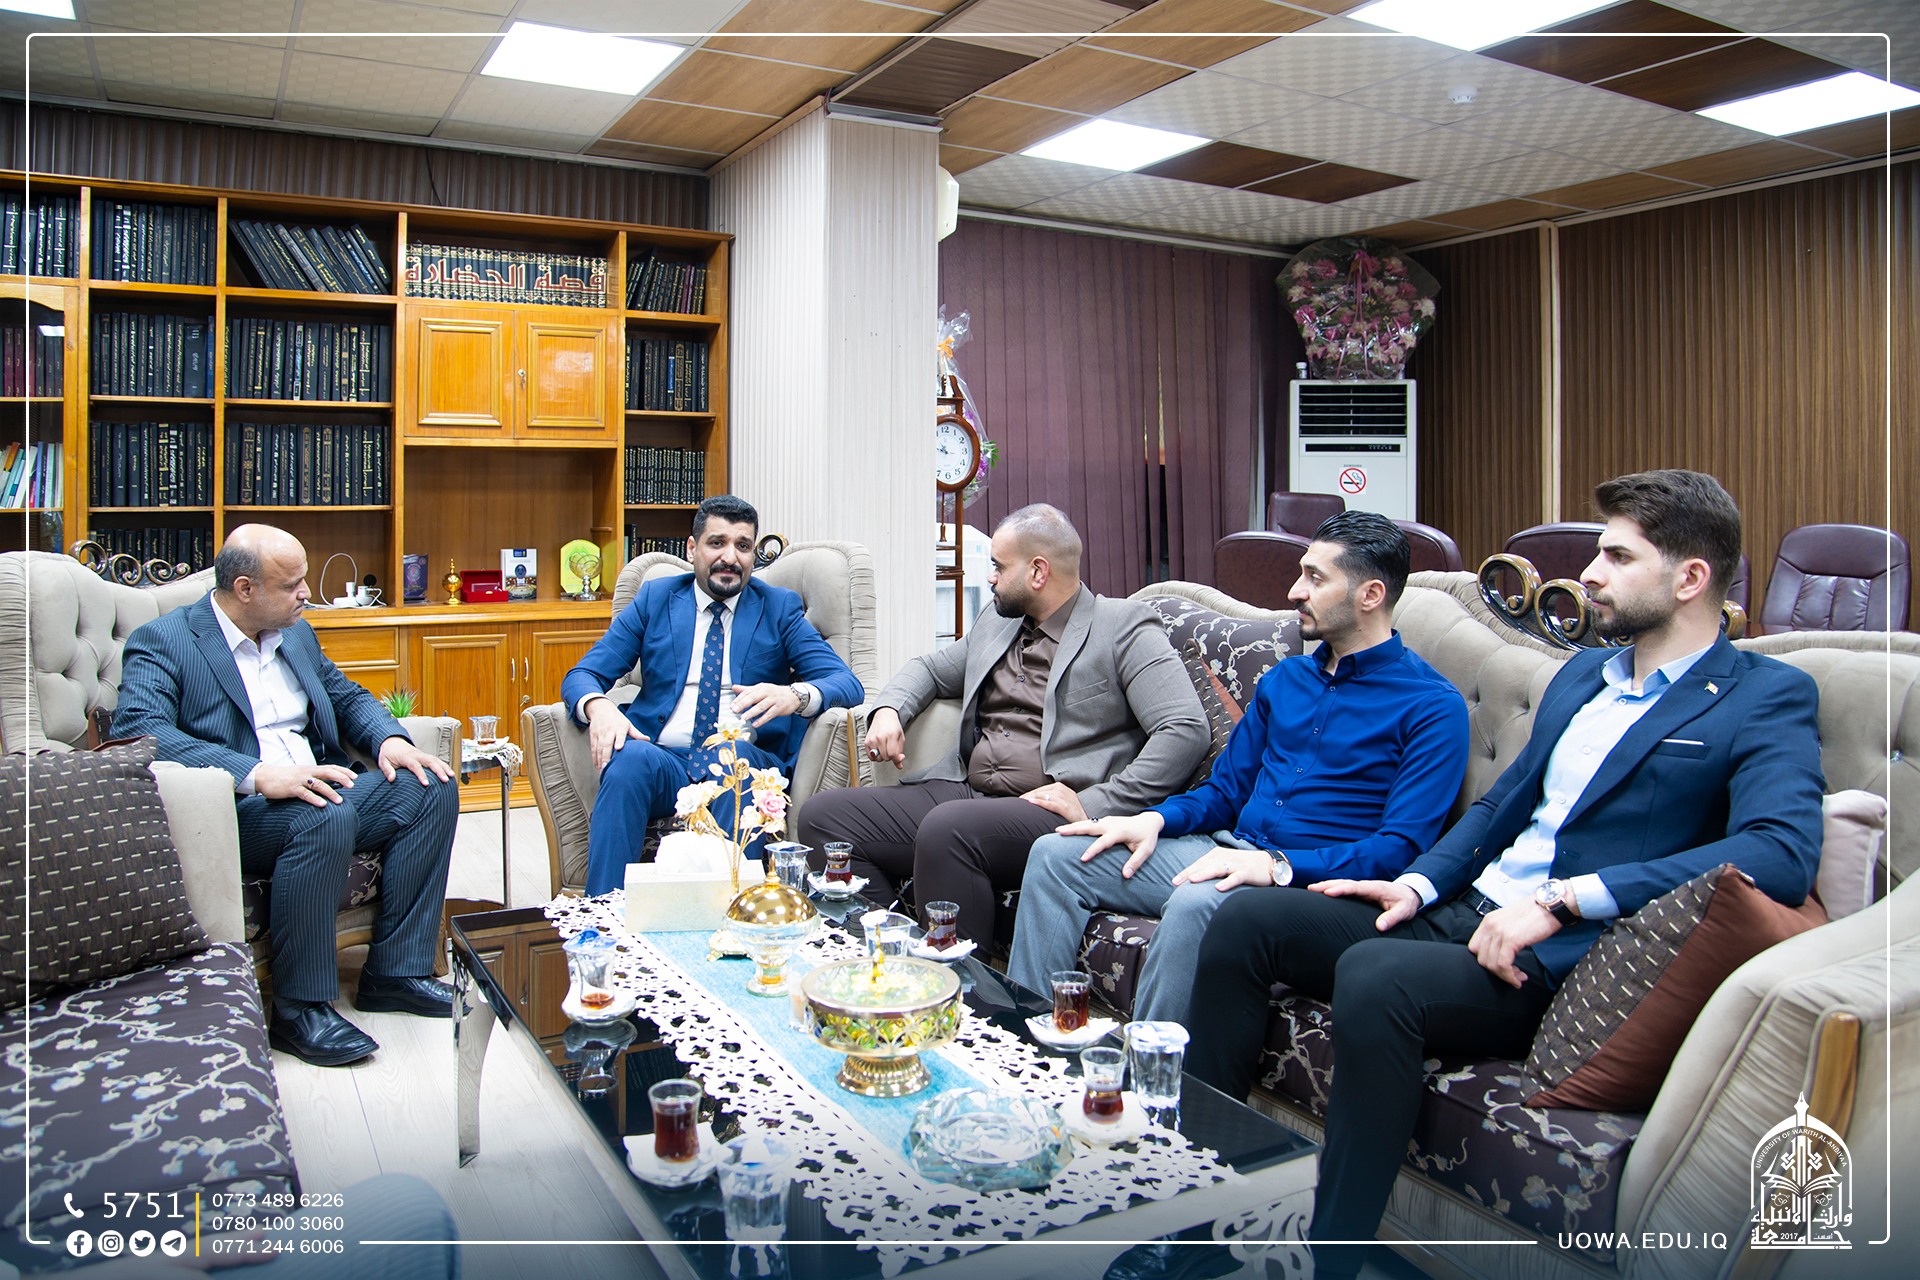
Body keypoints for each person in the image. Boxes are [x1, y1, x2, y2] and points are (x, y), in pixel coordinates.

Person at [1185, 470, 1826, 1278]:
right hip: (1463, 909)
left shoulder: (1764, 695)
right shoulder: (1584, 676)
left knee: (1376, 975)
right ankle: (1199, 1205)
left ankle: (1332, 1257)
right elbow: (1501, 806)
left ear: (1690, 577)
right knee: (1247, 917)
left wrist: (1565, 901)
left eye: (1618, 557)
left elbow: (1780, 851)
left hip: (1554, 955)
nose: (1589, 574)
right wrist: (1417, 883)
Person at [1008, 511, 1469, 1023]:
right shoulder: (1286, 680)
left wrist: (1275, 867)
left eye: (1316, 578)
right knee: (1055, 855)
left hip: (1309, 882)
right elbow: (1224, 793)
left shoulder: (1432, 706)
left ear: (1371, 595)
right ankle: (1029, 1039)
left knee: (1196, 902)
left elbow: (1400, 849)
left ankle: (1150, 1070)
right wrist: (1152, 819)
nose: (1295, 591)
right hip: (1227, 849)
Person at [114, 525, 459, 1069]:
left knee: (430, 784)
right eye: (292, 584)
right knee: (321, 815)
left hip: (320, 790)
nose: (306, 594)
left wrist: (389, 740)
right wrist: (257, 774)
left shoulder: (295, 634)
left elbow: (344, 695)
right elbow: (142, 731)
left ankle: (397, 972)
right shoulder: (165, 641)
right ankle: (299, 1010)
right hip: (236, 811)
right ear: (245, 588)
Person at [794, 504, 1209, 947]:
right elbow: (930, 669)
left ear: (1038, 572)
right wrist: (889, 711)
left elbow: (1184, 728)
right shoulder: (996, 622)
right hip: (967, 790)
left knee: (948, 827)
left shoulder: (1122, 626)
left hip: (1047, 808)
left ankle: (963, 984)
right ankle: (889, 959)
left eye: (998, 566)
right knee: (824, 818)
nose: (990, 577)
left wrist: (1094, 803)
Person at [562, 495, 863, 895]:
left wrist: (795, 695)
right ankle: (604, 915)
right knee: (628, 761)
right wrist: (598, 706)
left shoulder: (777, 608)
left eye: (743, 546)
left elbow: (846, 683)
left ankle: (729, 915)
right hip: (664, 758)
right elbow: (583, 674)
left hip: (740, 758)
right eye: (716, 543)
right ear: (692, 548)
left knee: (734, 764)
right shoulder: (656, 600)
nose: (730, 557)